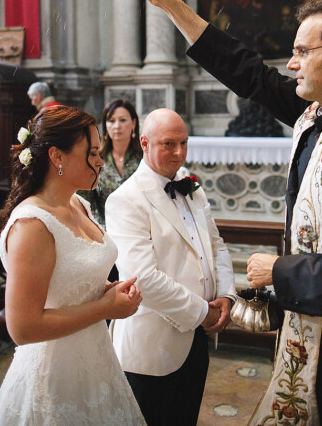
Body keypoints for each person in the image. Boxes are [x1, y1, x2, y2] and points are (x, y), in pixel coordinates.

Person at [128, 0, 322, 425]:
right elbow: (246, 71)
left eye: (301, 52)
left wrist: (279, 269)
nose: (290, 64)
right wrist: (169, 2)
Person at [0, 105, 145, 425]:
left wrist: (105, 289)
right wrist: (105, 308)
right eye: (93, 152)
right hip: (53, 374)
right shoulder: (33, 224)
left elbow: (68, 279)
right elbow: (23, 327)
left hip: (95, 358)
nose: (100, 161)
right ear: (58, 157)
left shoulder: (76, 202)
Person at [105, 108, 236, 426]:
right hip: (152, 348)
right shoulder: (126, 200)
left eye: (184, 143)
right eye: (168, 144)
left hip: (197, 341)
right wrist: (203, 313)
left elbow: (216, 245)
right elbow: (143, 279)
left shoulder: (191, 186)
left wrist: (227, 295)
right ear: (145, 143)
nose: (178, 153)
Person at [80, 98, 143, 228]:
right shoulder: (95, 159)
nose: (117, 126)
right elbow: (84, 202)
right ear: (105, 125)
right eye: (111, 121)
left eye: (122, 120)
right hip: (105, 230)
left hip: (141, 228)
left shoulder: (144, 158)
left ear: (134, 123)